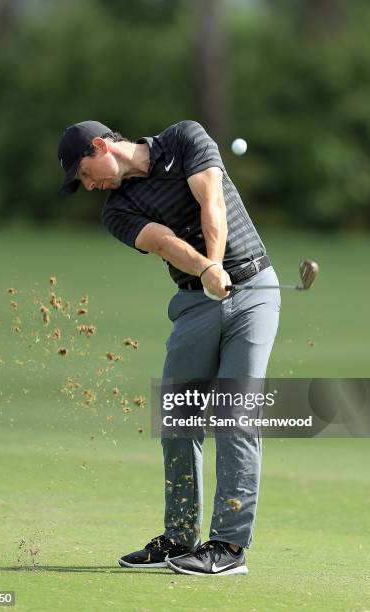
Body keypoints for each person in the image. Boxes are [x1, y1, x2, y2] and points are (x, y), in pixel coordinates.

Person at [57, 119, 281, 576]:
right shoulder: (115, 211)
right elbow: (163, 241)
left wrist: (216, 265)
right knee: (178, 416)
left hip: (254, 289)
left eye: (84, 173)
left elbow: (211, 198)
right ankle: (179, 538)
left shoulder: (185, 138)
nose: (89, 185)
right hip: (196, 302)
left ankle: (228, 546)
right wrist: (206, 272)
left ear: (101, 146)